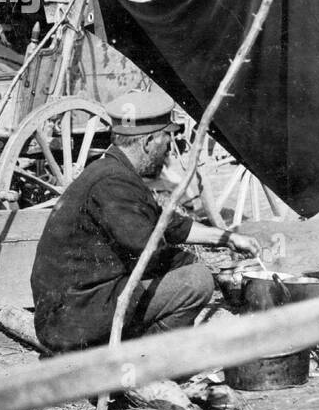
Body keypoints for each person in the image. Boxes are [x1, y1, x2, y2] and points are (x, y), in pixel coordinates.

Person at [31, 89, 260, 354]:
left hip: (74, 306)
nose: (168, 149)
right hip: (72, 317)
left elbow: (168, 223)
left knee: (187, 274)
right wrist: (194, 263)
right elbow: (148, 252)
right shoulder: (113, 182)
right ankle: (146, 360)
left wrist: (227, 238)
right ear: (149, 141)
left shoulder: (112, 170)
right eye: (167, 137)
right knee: (196, 281)